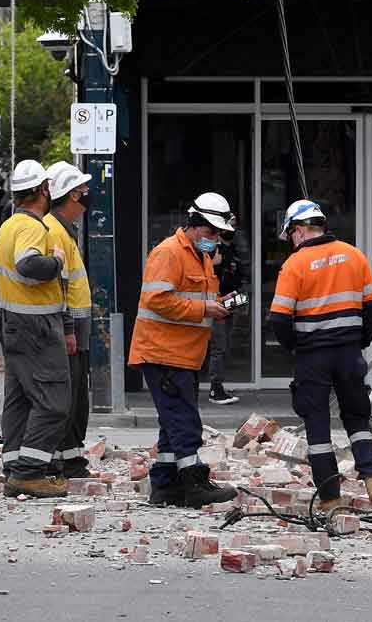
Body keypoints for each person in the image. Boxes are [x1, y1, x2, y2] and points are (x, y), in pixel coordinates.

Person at [268, 199, 372, 511]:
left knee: (318, 426)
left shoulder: (294, 265)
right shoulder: (354, 255)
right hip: (349, 353)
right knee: (357, 418)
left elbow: (279, 318)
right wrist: (360, 340)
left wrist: (295, 346)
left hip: (313, 357)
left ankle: (330, 497)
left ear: (297, 231)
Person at [128, 192, 239, 509]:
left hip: (182, 355)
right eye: (211, 232)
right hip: (164, 353)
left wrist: (217, 305)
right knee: (185, 422)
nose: (215, 239)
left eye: (219, 233)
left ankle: (165, 485)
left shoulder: (201, 257)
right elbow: (157, 300)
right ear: (194, 225)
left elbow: (194, 300)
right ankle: (195, 483)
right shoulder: (169, 253)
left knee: (171, 423)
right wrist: (205, 308)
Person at [0, 159, 70, 498]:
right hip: (35, 325)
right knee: (53, 401)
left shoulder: (7, 226)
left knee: (21, 399)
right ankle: (28, 473)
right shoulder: (32, 227)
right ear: (42, 190)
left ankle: (14, 466)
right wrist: (56, 262)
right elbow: (29, 265)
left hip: (14, 322)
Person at [45, 162, 93, 478]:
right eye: (84, 191)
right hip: (70, 330)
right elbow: (59, 286)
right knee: (69, 397)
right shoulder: (54, 231)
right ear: (72, 194)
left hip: (76, 329)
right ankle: (64, 460)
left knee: (77, 398)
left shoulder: (64, 230)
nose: (88, 197)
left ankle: (72, 458)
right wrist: (68, 330)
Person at [207, 219, 245, 405]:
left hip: (230, 303)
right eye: (229, 224)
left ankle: (218, 385)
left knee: (224, 346)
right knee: (218, 347)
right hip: (217, 304)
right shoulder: (213, 248)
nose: (232, 228)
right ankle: (215, 388)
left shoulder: (232, 250)